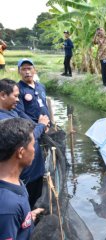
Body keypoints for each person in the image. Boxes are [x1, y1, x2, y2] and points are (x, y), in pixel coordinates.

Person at [0, 78, 50, 209]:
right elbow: (26, 136)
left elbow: (29, 126)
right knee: (24, 208)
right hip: (25, 177)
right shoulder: (3, 120)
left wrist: (40, 125)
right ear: (3, 95)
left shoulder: (13, 111)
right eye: (15, 96)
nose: (18, 99)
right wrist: (41, 125)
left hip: (34, 172)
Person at [0, 118, 44, 240]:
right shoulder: (7, 208)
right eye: (33, 145)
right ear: (21, 152)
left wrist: (27, 218)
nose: (35, 150)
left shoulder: (16, 182)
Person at [16, 58, 50, 123]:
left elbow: (45, 105)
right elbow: (20, 113)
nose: (27, 72)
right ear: (19, 72)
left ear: (34, 70)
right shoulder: (17, 89)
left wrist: (49, 122)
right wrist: (37, 126)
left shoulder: (41, 86)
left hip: (47, 124)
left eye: (29, 68)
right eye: (23, 69)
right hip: (31, 128)